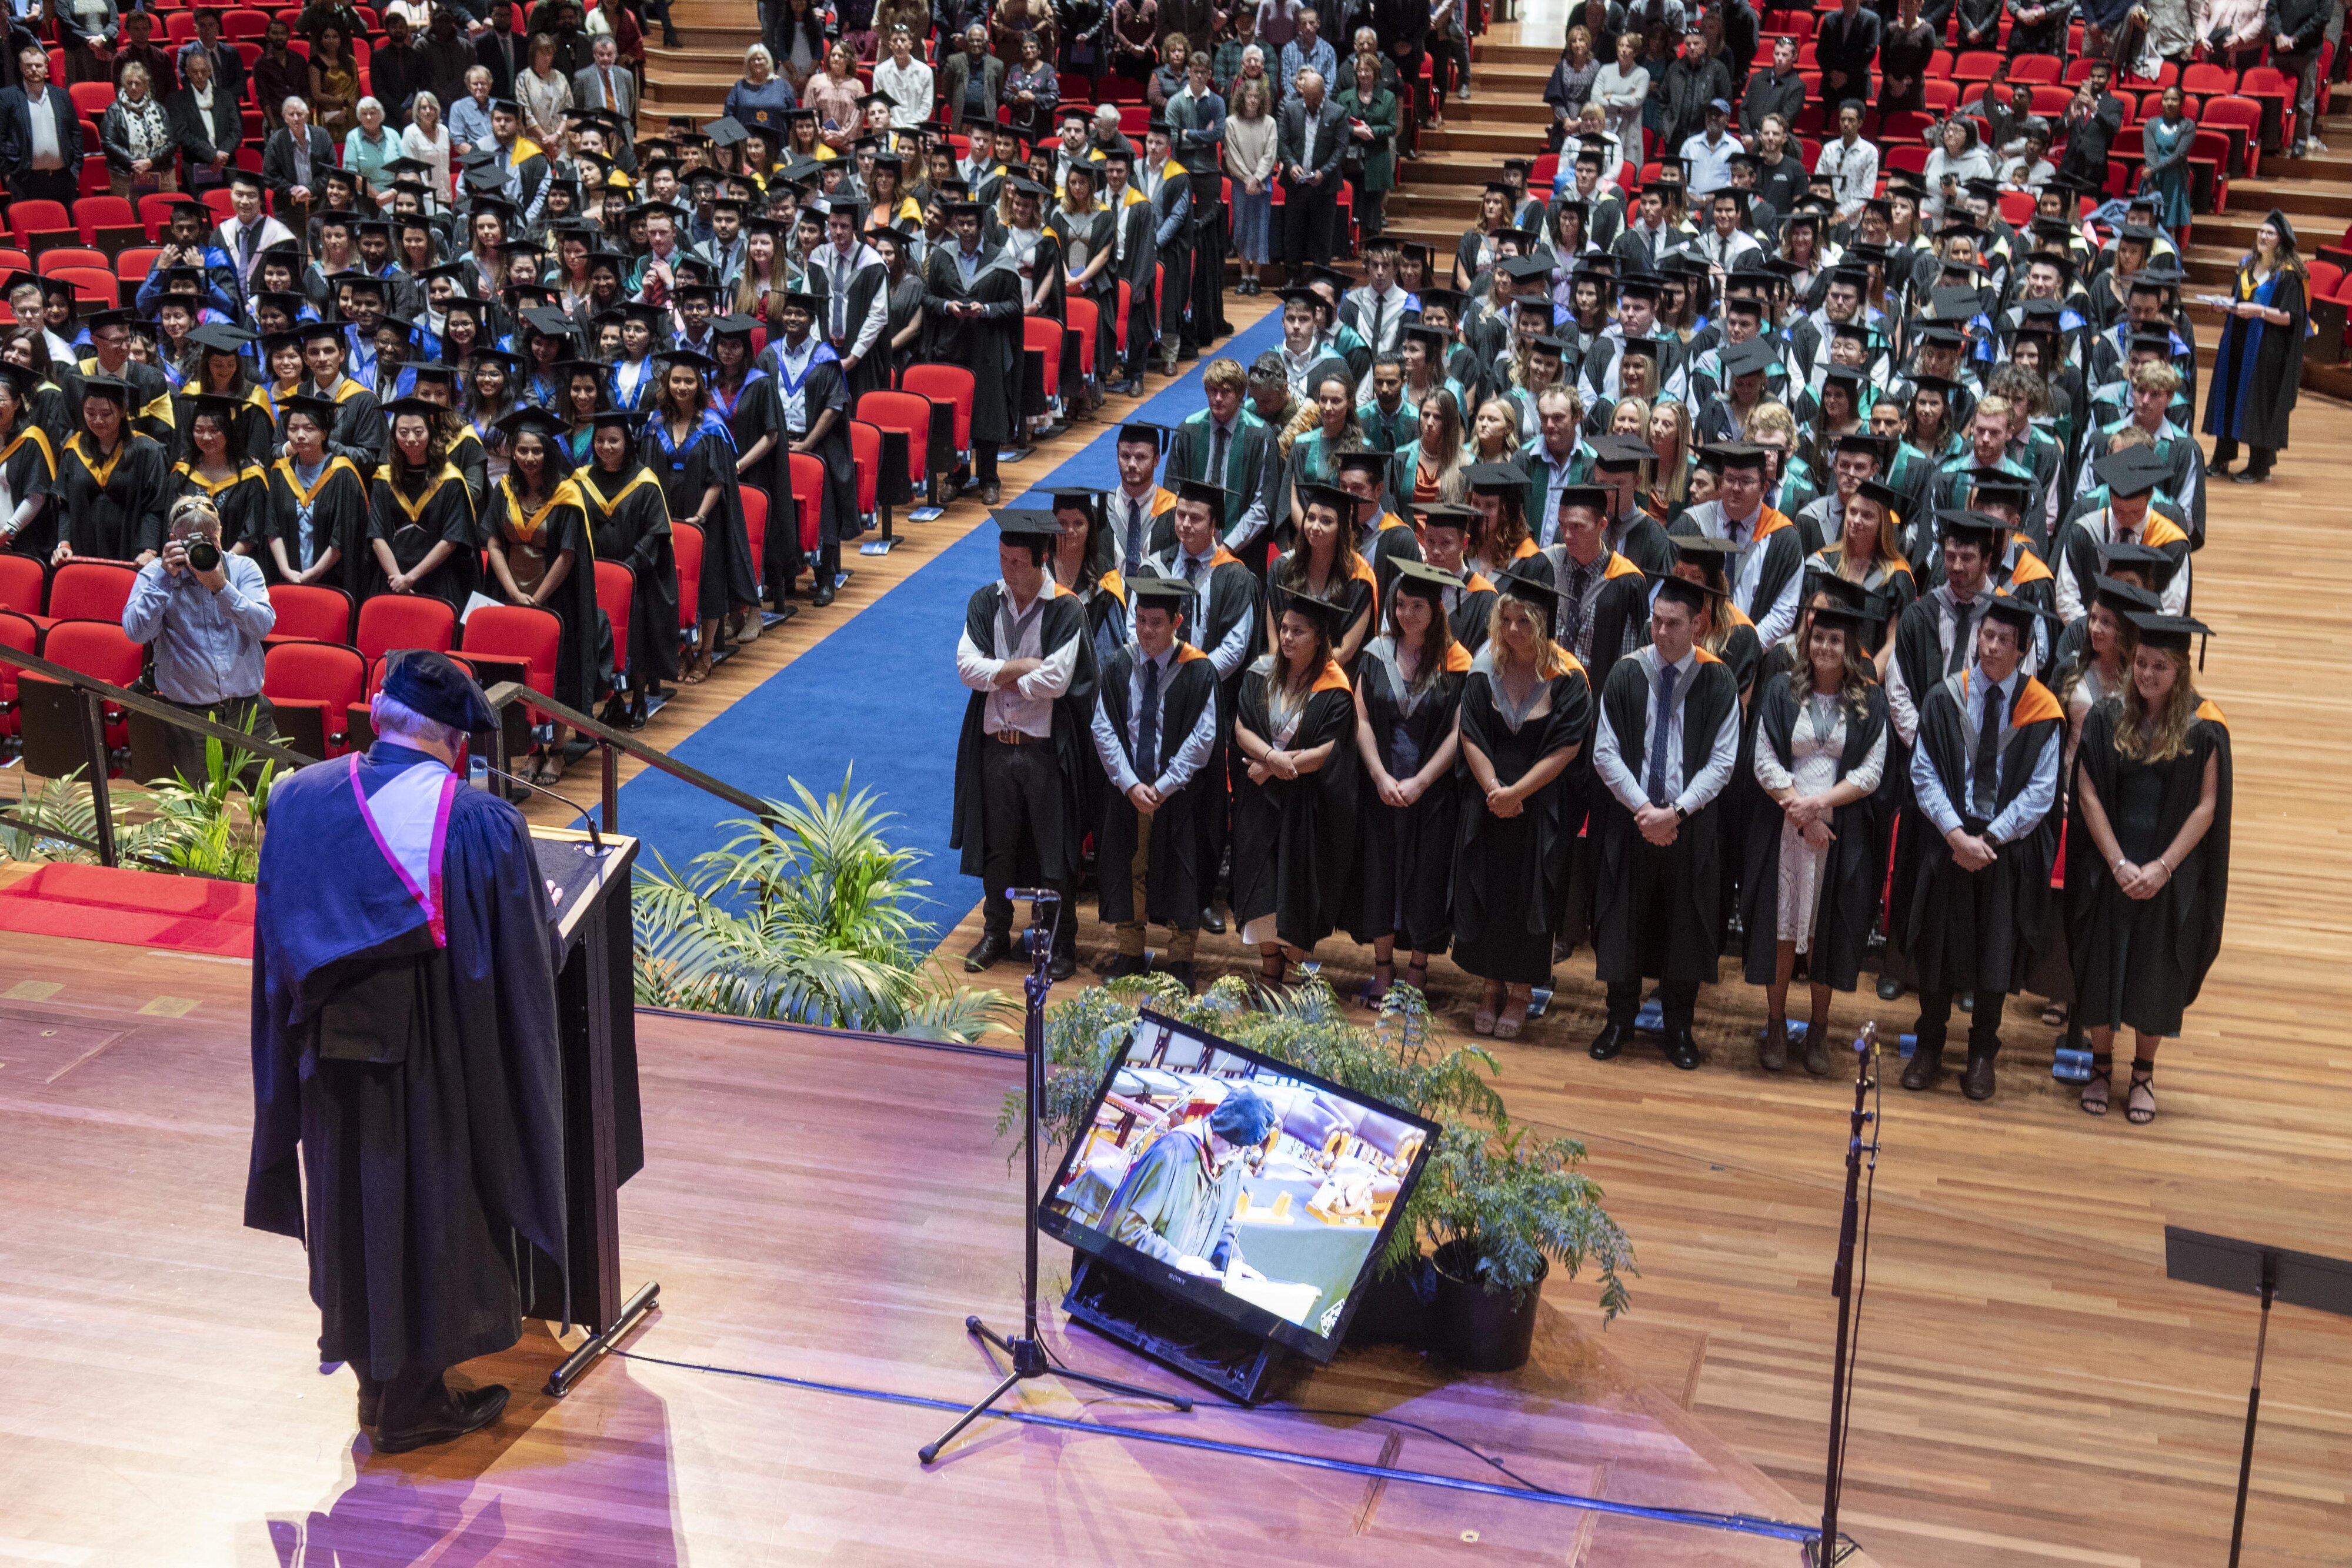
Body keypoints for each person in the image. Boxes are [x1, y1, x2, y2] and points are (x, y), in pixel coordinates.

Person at [246, 649, 564, 1455]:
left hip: (328, 1057)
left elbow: (279, 936)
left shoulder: (299, 796)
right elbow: (522, 957)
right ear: (456, 742)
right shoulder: (477, 823)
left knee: (352, 1208)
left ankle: (373, 1388)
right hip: (433, 1061)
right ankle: (414, 1401)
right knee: (431, 1210)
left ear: (376, 715)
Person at [2064, 612, 2229, 1125]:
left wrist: (2160, 868)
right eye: (2140, 663)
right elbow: (2086, 789)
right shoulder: (2107, 715)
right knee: (2103, 966)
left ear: (2179, 671)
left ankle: (2142, 1074)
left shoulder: (2204, 729)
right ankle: (2098, 1067)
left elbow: (2206, 807)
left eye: (2159, 666)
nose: (2147, 674)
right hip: (2112, 862)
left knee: (2152, 974)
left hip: (2165, 870)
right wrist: (2115, 861)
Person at [1901, 595, 2062, 1102]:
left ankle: (1981, 1054)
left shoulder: (2042, 710)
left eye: (2003, 641)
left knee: (1994, 954)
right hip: (1949, 842)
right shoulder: (1945, 697)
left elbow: (2041, 791)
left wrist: (1988, 840)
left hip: (2002, 850)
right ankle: (1928, 1046)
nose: (1991, 647)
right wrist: (1955, 835)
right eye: (1986, 636)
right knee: (1938, 949)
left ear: (2021, 650)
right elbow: (1923, 773)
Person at [1589, 573, 1742, 1070]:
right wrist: (1644, 811)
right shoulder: (1626, 674)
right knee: (1623, 918)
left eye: (1673, 624)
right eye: (1656, 621)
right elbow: (1606, 752)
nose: (1660, 632)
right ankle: (1618, 1018)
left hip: (1689, 824)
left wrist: (1674, 813)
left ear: (1698, 623)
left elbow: (1722, 763)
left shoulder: (1718, 680)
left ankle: (1679, 1025)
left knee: (1686, 924)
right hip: (1633, 820)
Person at [1742, 603, 1889, 1075]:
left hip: (1838, 833)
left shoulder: (1870, 699)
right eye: (1818, 638)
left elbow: (1870, 773)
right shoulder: (1779, 691)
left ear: (1849, 649)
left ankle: (1820, 1029)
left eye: (1835, 641)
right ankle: (1777, 1024)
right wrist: (1800, 813)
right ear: (1807, 643)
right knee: (1782, 930)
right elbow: (1764, 761)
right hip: (1784, 829)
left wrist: (1819, 805)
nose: (1825, 647)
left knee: (1824, 932)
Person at [952, 511, 1097, 980]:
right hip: (996, 745)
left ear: (1042, 561)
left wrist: (998, 672)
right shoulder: (984, 602)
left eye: (1017, 562)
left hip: (1042, 751)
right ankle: (996, 931)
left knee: (1053, 850)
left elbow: (1057, 680)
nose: (1008, 569)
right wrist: (1019, 668)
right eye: (1003, 559)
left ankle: (1061, 942)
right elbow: (965, 669)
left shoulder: (1066, 609)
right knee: (998, 847)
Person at [1450, 573, 1591, 1037]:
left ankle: (1521, 991)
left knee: (1530, 897)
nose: (1512, 631)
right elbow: (1469, 730)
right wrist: (1493, 788)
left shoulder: (1568, 676)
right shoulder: (1485, 666)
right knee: (1489, 892)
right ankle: (1490, 986)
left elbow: (1566, 747)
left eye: (1523, 622)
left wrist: (1516, 794)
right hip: (1487, 800)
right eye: (1506, 620)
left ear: (1543, 624)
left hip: (1539, 807)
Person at [1348, 558, 1470, 1003]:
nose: (1404, 615)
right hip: (1381, 786)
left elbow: (1461, 732)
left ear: (1436, 611)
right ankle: (1383, 967)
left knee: (1425, 878)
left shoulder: (1458, 663)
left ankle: (1417, 969)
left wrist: (1421, 781)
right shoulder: (1376, 653)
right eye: (1399, 605)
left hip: (1431, 791)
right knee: (1380, 874)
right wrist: (1379, 775)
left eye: (1415, 607)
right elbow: (1360, 719)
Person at [1092, 575, 1220, 990]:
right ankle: (1129, 951)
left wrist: (1163, 787)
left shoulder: (1199, 670)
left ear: (1177, 622)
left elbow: (1204, 738)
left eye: (1156, 623)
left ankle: (1181, 959)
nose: (1146, 631)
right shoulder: (1116, 665)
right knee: (1129, 867)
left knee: (1183, 870)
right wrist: (1130, 785)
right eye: (1141, 620)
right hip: (1129, 793)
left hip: (1179, 796)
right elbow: (1103, 727)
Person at [1229, 587, 1359, 980]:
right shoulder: (1260, 673)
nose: (1286, 637)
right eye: (1284, 628)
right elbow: (1240, 728)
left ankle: (1293, 965)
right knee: (1261, 884)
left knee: (1300, 888)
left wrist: (1272, 766)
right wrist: (1270, 759)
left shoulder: (1334, 688)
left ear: (1319, 638)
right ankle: (1270, 967)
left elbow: (1328, 751)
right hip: (1261, 802)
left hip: (1308, 803)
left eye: (1298, 631)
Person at [121, 494, 281, 784]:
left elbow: (263, 626)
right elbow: (136, 632)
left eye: (210, 539)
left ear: (220, 536)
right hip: (189, 719)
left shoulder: (243, 569)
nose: (201, 547)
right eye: (190, 541)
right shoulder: (155, 574)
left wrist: (222, 588)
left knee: (279, 800)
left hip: (249, 713)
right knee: (201, 814)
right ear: (172, 539)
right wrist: (164, 580)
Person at [1098, 1088, 1278, 1277]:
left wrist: (1233, 1260)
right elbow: (1129, 1229)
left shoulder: (1233, 1162)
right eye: (1236, 1147)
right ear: (1218, 1131)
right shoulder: (1173, 1153)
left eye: (1246, 1150)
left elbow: (1221, 1224)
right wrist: (1178, 1261)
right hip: (1133, 1278)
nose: (1239, 1156)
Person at [575, 407, 678, 730]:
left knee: (636, 638)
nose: (606, 447)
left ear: (628, 442)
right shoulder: (582, 480)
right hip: (594, 575)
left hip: (638, 577)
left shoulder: (645, 481)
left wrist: (628, 569)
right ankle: (614, 700)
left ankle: (639, 700)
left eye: (614, 441)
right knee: (603, 640)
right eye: (601, 440)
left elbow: (657, 532)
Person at [2204, 211, 2307, 484]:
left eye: (2269, 233)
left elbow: (2291, 317)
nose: (2262, 236)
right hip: (2235, 341)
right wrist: (2223, 304)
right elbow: (2237, 299)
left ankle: (2260, 465)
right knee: (2227, 396)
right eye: (2261, 231)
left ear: (2281, 240)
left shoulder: (2288, 276)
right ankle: (2222, 457)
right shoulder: (2246, 264)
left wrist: (2260, 311)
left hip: (2264, 348)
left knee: (2257, 403)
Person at [1277, 68, 1348, 276]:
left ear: (1323, 93)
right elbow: (1283, 143)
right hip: (1296, 184)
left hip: (1324, 186)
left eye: (1314, 99)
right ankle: (1293, 277)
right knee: (1293, 234)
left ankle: (1321, 278)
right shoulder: (1291, 109)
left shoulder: (1337, 113)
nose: (1310, 103)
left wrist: (1323, 172)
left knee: (1322, 236)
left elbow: (1341, 149)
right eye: (1306, 98)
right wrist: (1290, 164)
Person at [1, 44, 84, 203]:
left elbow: (75, 133)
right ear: (20, 67)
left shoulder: (62, 95)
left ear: (46, 67)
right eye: (28, 65)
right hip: (24, 180)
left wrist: (76, 169)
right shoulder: (7, 97)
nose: (34, 69)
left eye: (38, 65)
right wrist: (7, 175)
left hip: (63, 179)